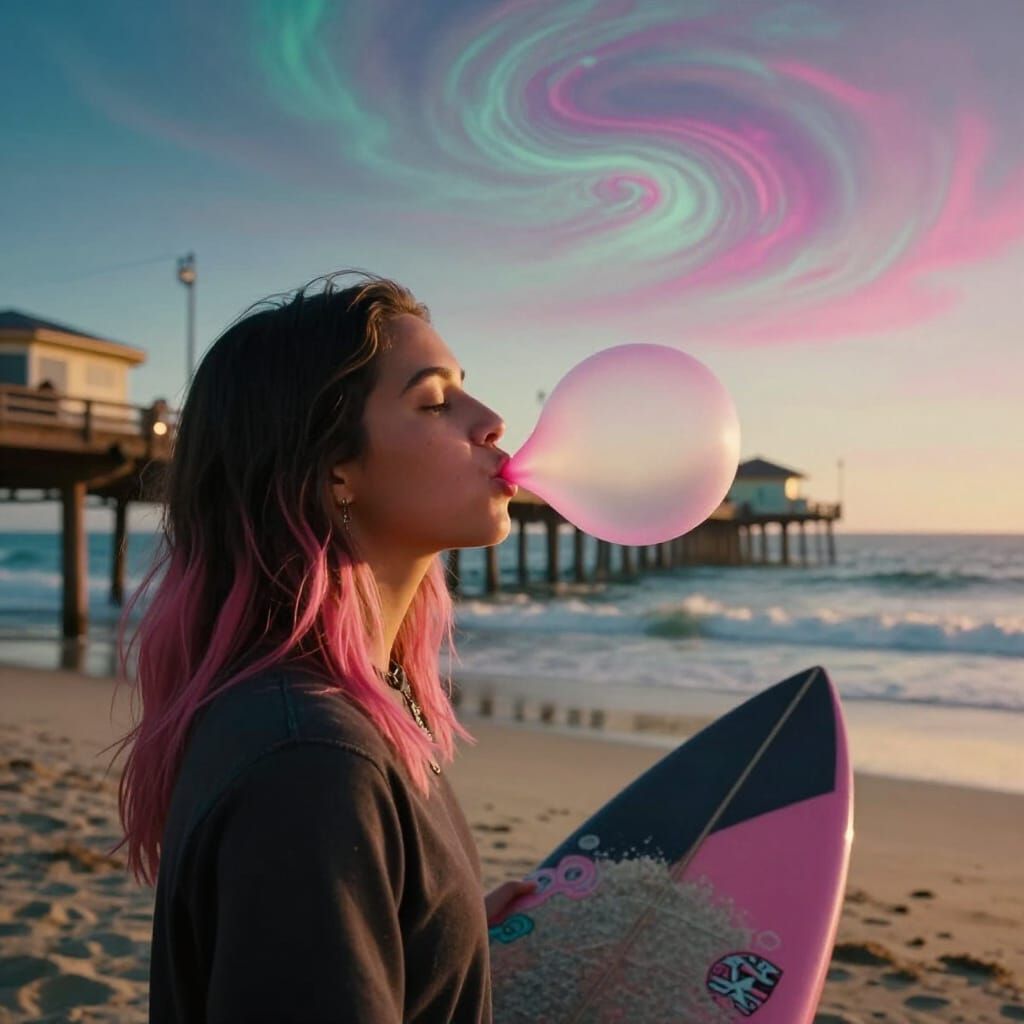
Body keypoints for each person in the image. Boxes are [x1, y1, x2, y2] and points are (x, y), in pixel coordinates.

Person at [107, 270, 536, 1022]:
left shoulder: (350, 703)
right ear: (336, 469)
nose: (493, 420)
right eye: (435, 401)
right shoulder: (310, 764)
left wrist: (448, 936)